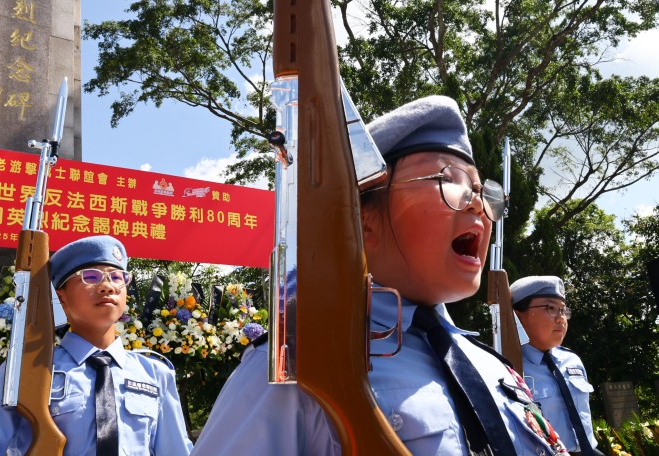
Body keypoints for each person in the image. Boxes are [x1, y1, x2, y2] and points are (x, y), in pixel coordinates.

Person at [193, 95, 569, 455]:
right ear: (361, 219)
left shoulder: (492, 367)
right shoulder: (300, 368)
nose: (478, 204)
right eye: (448, 179)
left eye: (480, 189)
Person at [0, 235, 193, 456]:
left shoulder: (154, 372)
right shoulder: (29, 371)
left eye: (117, 277)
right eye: (90, 277)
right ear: (62, 297)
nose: (107, 286)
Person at [511, 275, 602, 455]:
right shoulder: (509, 368)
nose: (561, 319)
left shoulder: (572, 360)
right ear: (518, 316)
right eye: (551, 308)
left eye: (563, 310)